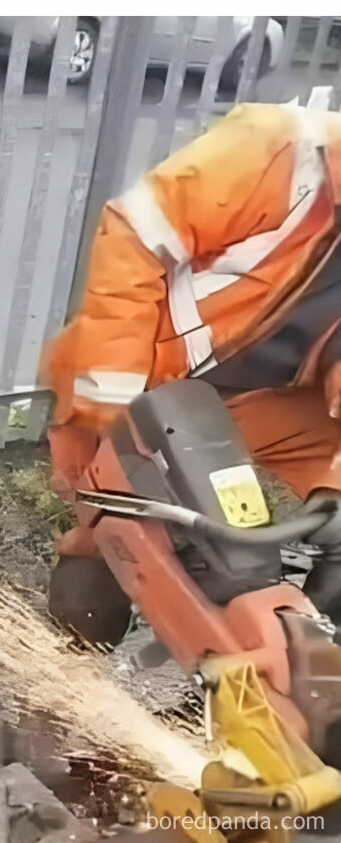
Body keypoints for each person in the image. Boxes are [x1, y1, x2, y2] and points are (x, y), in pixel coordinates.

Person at [46, 99, 341, 618]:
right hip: (155, 387)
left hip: (274, 403)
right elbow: (134, 241)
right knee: (106, 586)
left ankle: (292, 672)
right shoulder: (276, 149)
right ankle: (86, 627)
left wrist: (336, 484)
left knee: (243, 572)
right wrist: (116, 411)